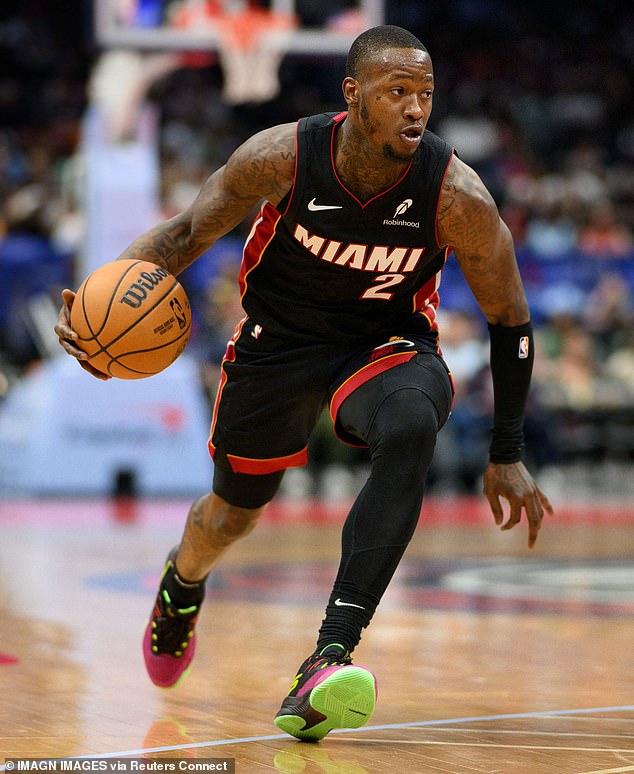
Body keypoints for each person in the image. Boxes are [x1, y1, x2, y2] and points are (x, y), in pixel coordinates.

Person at [55, 25, 553, 742]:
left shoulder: (456, 197)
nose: (416, 109)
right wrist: (100, 299)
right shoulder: (283, 156)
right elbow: (183, 235)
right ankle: (183, 582)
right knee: (232, 514)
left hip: (382, 344)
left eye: (426, 94)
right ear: (353, 96)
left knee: (414, 418)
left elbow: (511, 318)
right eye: (397, 92)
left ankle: (328, 656)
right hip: (277, 344)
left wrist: (506, 449)